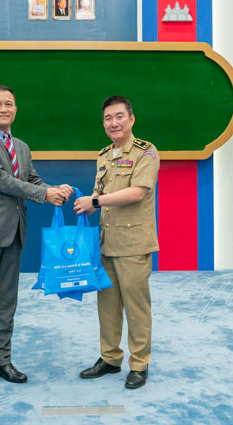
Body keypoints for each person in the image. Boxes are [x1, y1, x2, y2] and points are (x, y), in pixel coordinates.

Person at [0, 85, 72, 393]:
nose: (4, 108)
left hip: (14, 233)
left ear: (16, 109)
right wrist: (43, 194)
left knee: (6, 302)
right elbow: (0, 180)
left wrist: (54, 190)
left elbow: (31, 179)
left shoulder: (21, 146)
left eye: (9, 104)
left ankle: (1, 361)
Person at [74, 95, 160, 390]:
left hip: (133, 245)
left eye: (119, 116)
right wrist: (82, 201)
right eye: (108, 118)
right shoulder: (104, 155)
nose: (114, 123)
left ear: (131, 119)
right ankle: (110, 358)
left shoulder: (146, 152)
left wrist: (95, 201)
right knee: (107, 307)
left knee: (137, 308)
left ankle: (139, 364)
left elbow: (137, 192)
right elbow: (99, 195)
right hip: (106, 244)